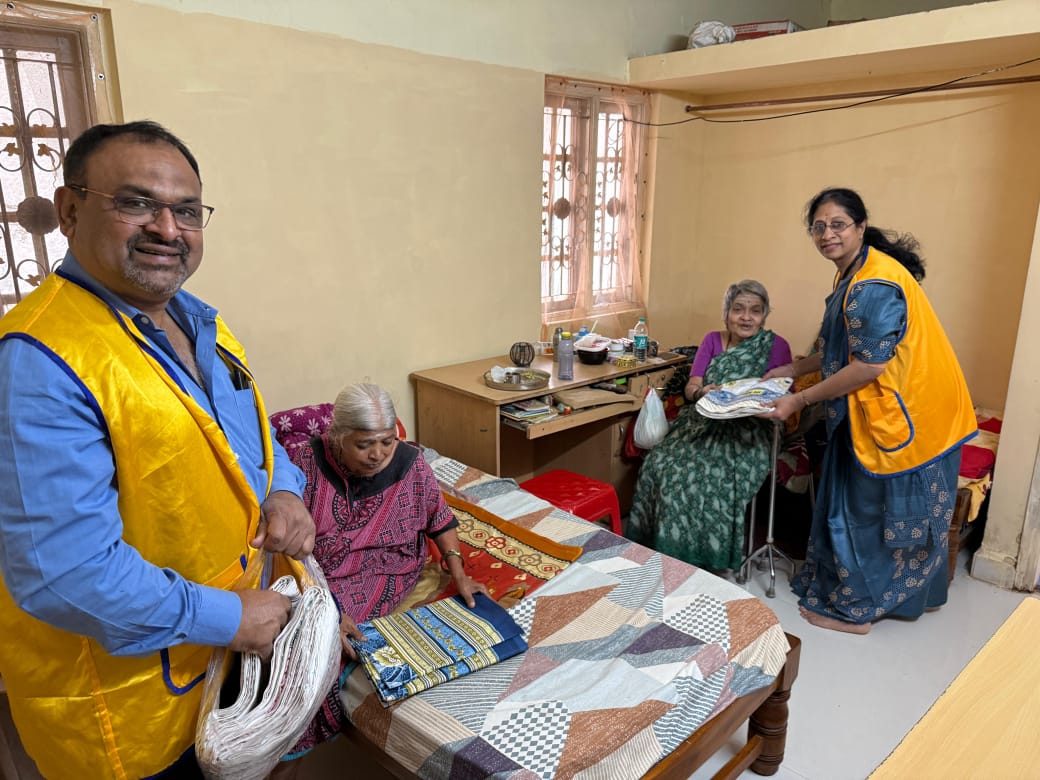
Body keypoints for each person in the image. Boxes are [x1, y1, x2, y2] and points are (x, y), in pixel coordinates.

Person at [0, 121, 316, 779]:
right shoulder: (37, 360)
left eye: (187, 211)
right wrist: (230, 617)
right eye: (136, 203)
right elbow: (64, 575)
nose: (168, 229)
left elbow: (250, 443)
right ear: (70, 209)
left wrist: (284, 487)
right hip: (129, 712)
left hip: (225, 666)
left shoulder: (204, 322)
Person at [761, 187, 976, 634]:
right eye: (818, 227)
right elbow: (840, 346)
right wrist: (793, 367)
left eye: (837, 224)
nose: (827, 235)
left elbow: (869, 365)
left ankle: (859, 611)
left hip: (912, 412)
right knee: (853, 501)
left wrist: (799, 398)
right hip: (892, 404)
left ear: (860, 226)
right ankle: (887, 597)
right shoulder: (854, 272)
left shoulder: (872, 285)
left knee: (865, 511)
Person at [281, 382, 488, 762]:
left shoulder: (411, 463)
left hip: (387, 568)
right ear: (338, 437)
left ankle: (298, 736)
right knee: (298, 646)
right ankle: (285, 745)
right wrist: (327, 607)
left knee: (334, 647)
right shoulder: (302, 464)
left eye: (387, 441)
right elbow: (288, 550)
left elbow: (439, 519)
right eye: (364, 445)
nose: (378, 454)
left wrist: (457, 572)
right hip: (319, 572)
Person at [627, 280, 792, 571]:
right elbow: (691, 387)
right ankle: (664, 548)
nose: (746, 317)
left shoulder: (776, 347)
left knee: (715, 477)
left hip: (750, 430)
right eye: (738, 309)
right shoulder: (712, 341)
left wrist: (750, 403)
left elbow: (782, 393)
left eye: (755, 310)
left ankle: (703, 558)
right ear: (726, 312)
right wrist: (703, 392)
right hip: (702, 422)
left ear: (765, 315)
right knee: (661, 463)